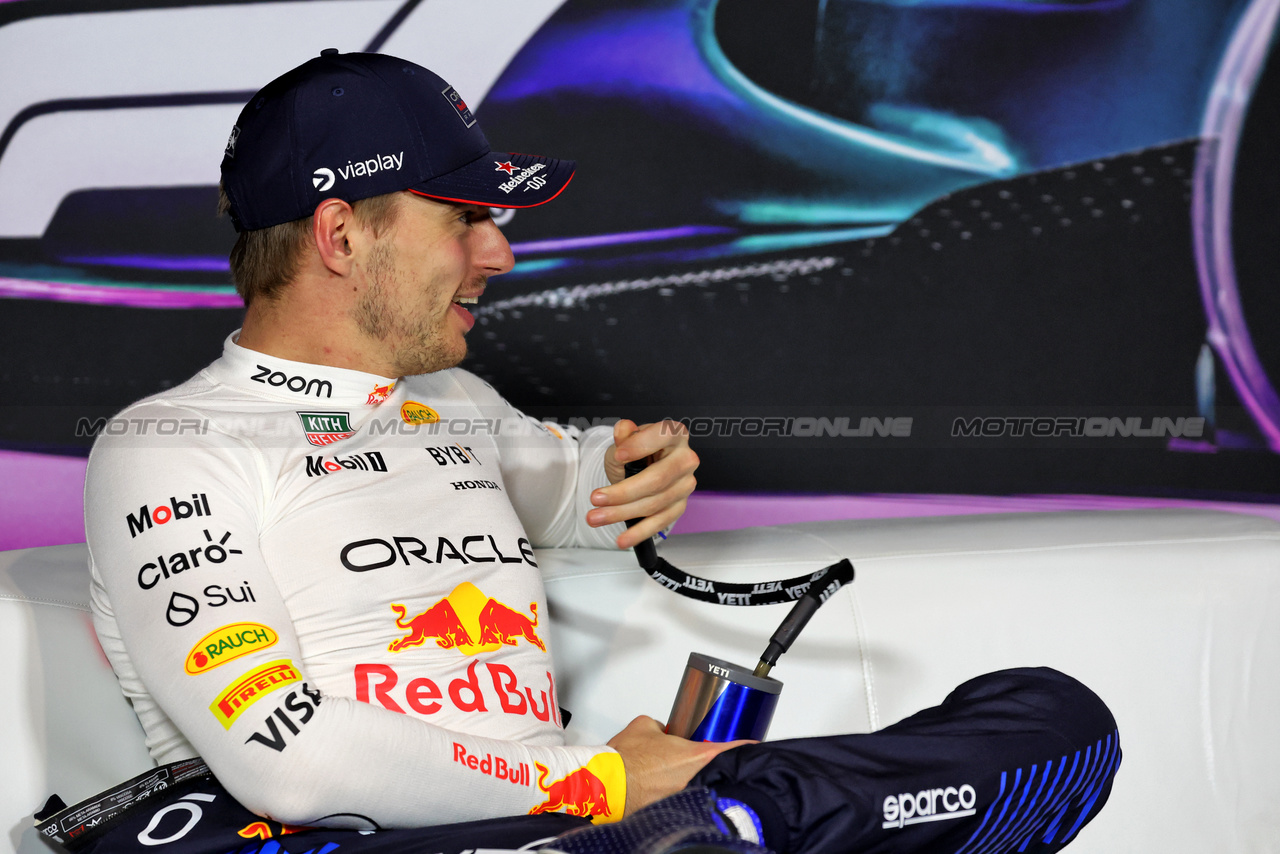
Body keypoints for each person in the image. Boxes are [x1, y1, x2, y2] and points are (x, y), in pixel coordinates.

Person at [71, 51, 1119, 854]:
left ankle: (730, 834)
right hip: (401, 834)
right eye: (464, 217)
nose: (499, 252)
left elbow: (580, 487)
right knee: (754, 804)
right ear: (342, 236)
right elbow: (292, 762)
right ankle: (732, 830)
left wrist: (638, 466)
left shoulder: (455, 403)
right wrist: (604, 784)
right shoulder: (169, 449)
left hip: (591, 821)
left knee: (1053, 716)